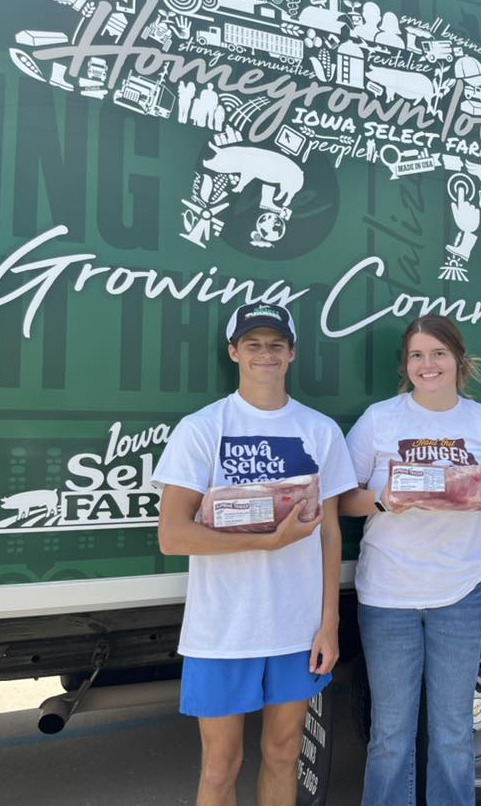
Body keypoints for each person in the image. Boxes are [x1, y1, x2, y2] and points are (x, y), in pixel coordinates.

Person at [154, 301, 356, 806]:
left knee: (283, 752)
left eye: (275, 345)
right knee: (221, 767)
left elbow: (331, 532)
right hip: (221, 630)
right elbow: (173, 536)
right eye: (253, 344)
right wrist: (265, 542)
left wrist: (329, 622)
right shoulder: (203, 428)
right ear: (233, 352)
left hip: (295, 626)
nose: (265, 354)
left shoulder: (320, 430)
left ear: (291, 354)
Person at [339, 314, 481, 806]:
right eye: (417, 355)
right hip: (388, 595)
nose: (428, 364)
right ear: (406, 365)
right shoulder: (380, 419)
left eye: (438, 353)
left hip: (459, 592)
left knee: (454, 733)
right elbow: (342, 499)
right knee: (391, 735)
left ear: (459, 360)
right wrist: (383, 499)